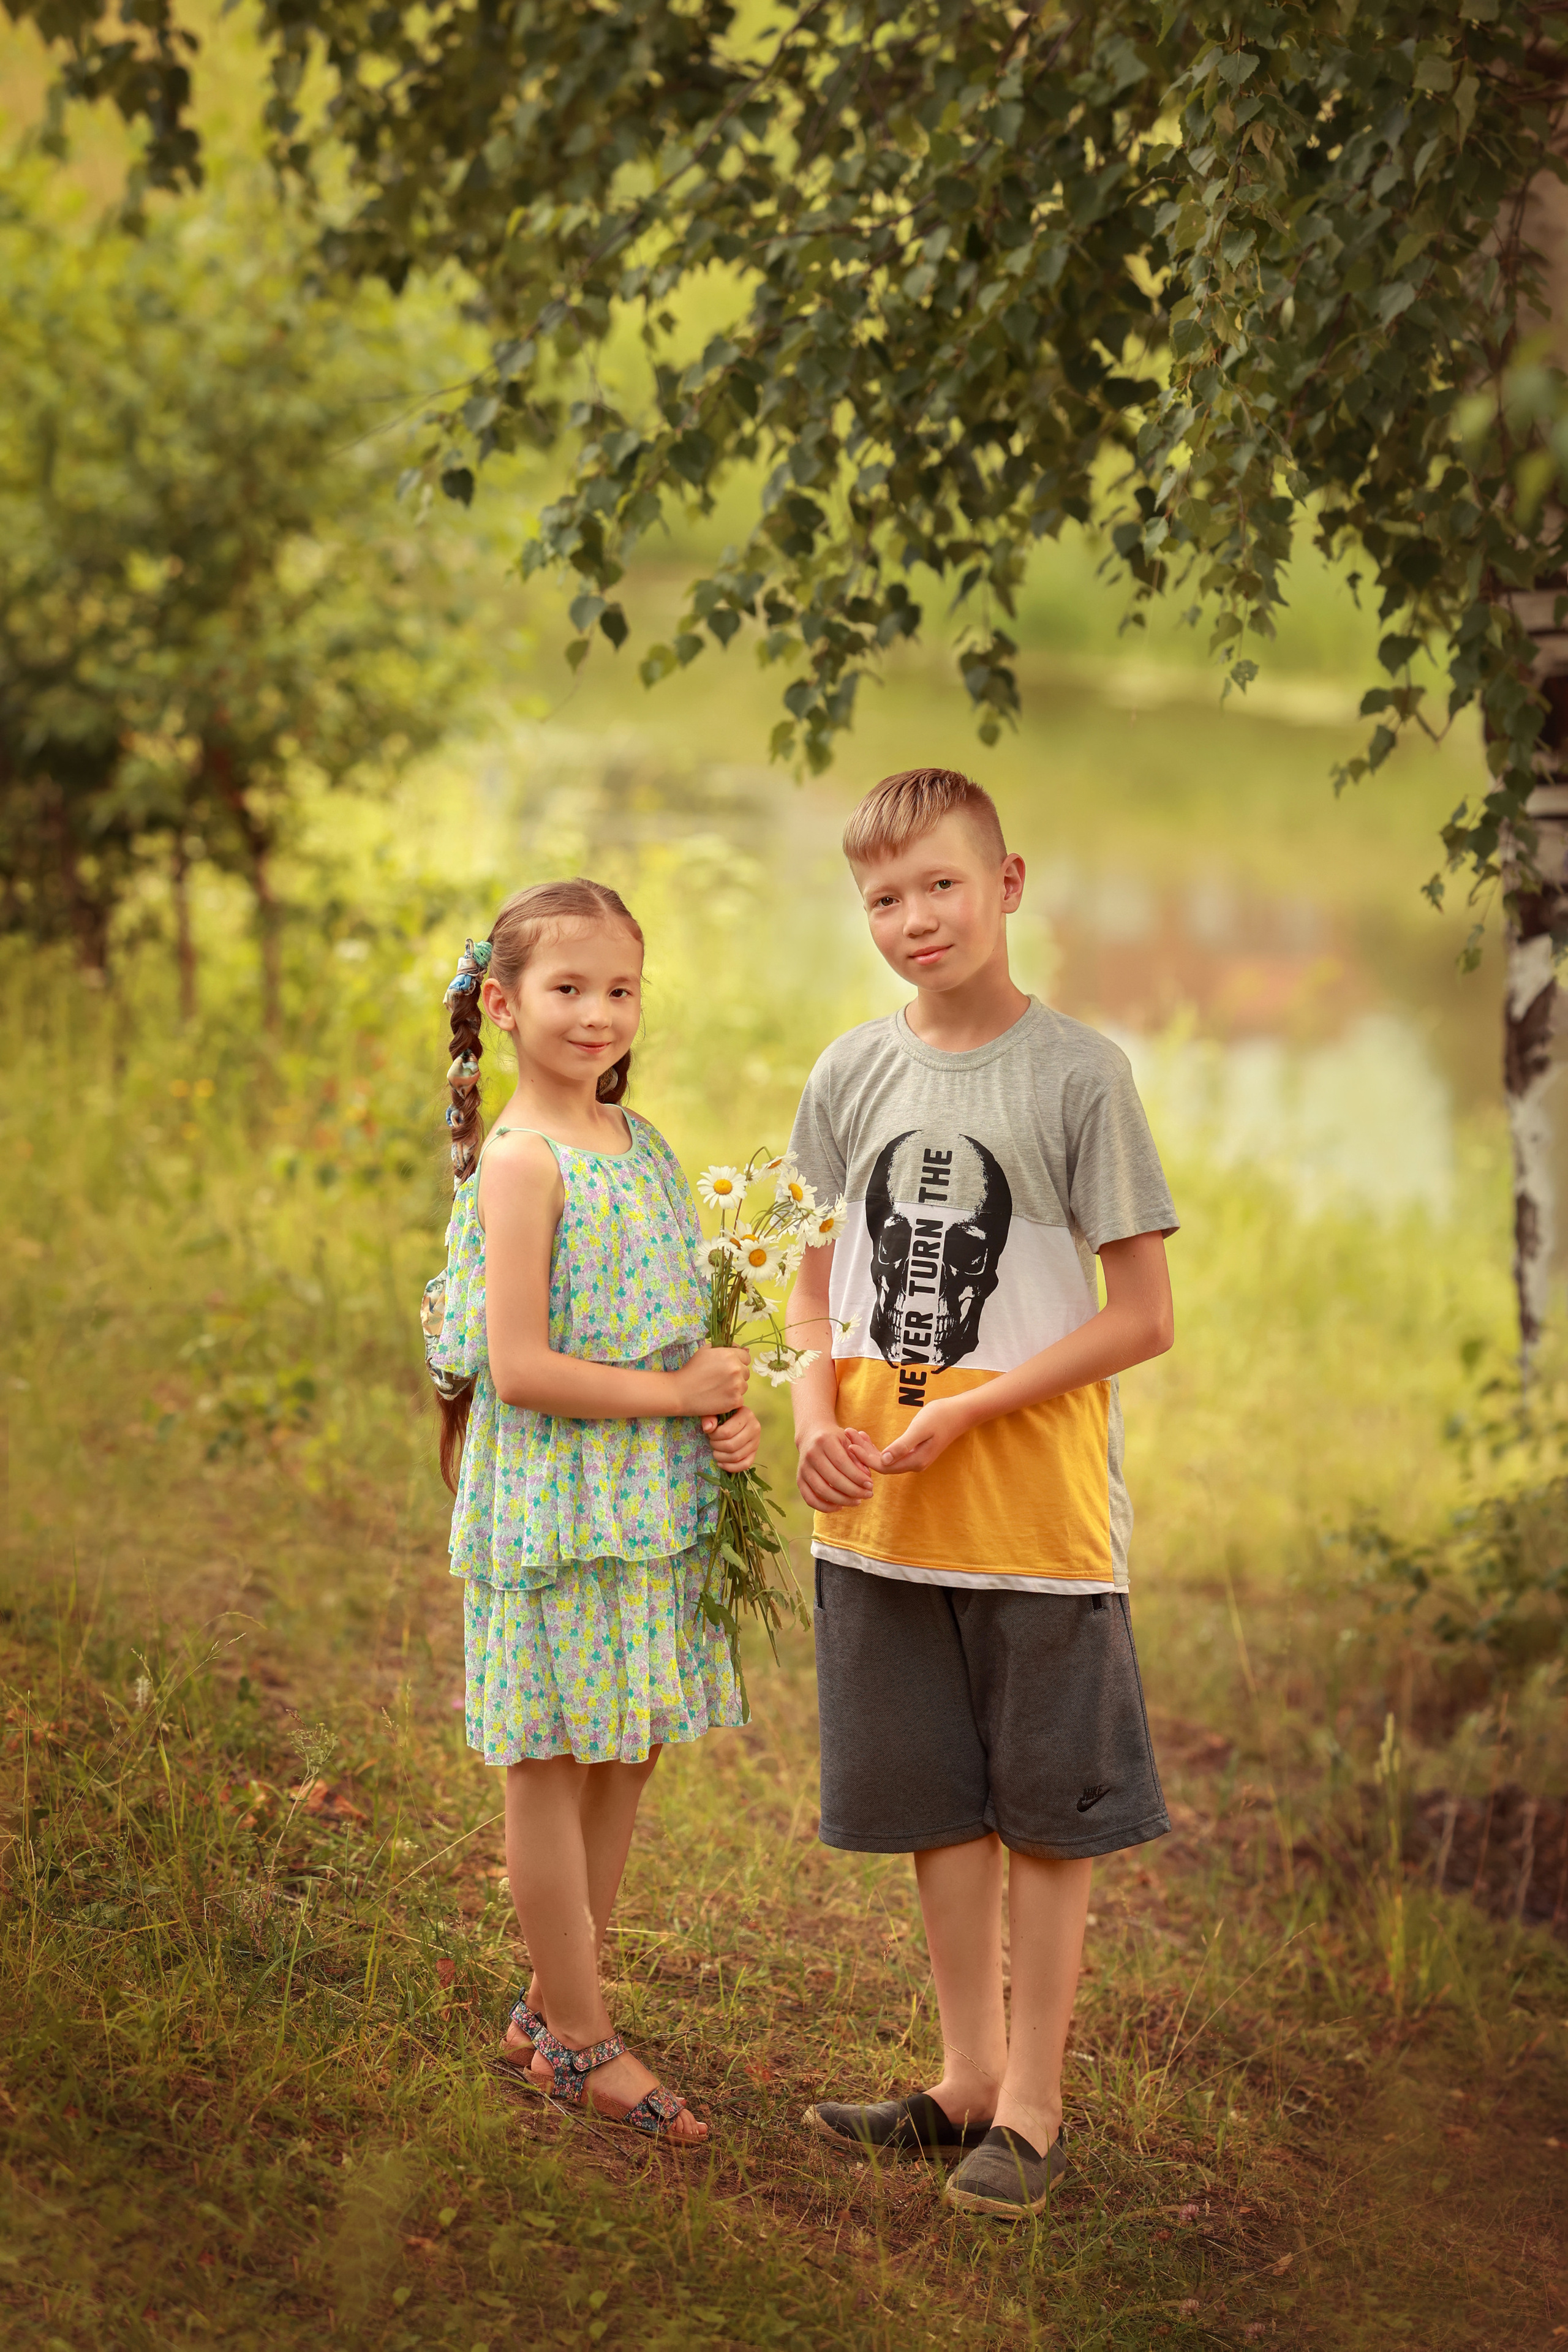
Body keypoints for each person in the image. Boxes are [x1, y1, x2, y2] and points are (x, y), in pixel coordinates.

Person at [784, 769, 1177, 2218]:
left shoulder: (1080, 1076)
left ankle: (1033, 2106)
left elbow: (1141, 1316)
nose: (911, 919)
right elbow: (809, 1278)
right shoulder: (847, 1072)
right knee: (935, 1806)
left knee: (1042, 1821)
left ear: (1006, 885)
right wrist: (815, 1409)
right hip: (883, 1515)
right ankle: (958, 2083)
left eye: (939, 886)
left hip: (1036, 1524)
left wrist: (971, 1406)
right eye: (882, 898)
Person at [422, 877, 758, 2147]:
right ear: (503, 1006)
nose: (598, 1013)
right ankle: (579, 2040)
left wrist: (714, 1408)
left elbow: (675, 1329)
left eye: (620, 989)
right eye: (568, 989)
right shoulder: (522, 1162)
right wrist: (672, 1392)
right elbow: (519, 1366)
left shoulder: (649, 1143)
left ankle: (551, 2008)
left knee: (625, 1740)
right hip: (557, 1498)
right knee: (552, 1755)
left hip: (647, 1492)